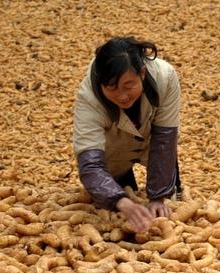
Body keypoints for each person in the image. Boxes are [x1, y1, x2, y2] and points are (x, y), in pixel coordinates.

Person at [73, 36, 181, 232]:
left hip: (151, 142)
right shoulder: (88, 98)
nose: (122, 95)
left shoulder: (165, 77)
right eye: (112, 88)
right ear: (100, 82)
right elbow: (90, 162)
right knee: (114, 200)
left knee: (171, 201)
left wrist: (158, 196)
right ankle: (121, 187)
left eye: (128, 86)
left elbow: (164, 137)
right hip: (114, 150)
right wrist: (121, 201)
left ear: (141, 73)